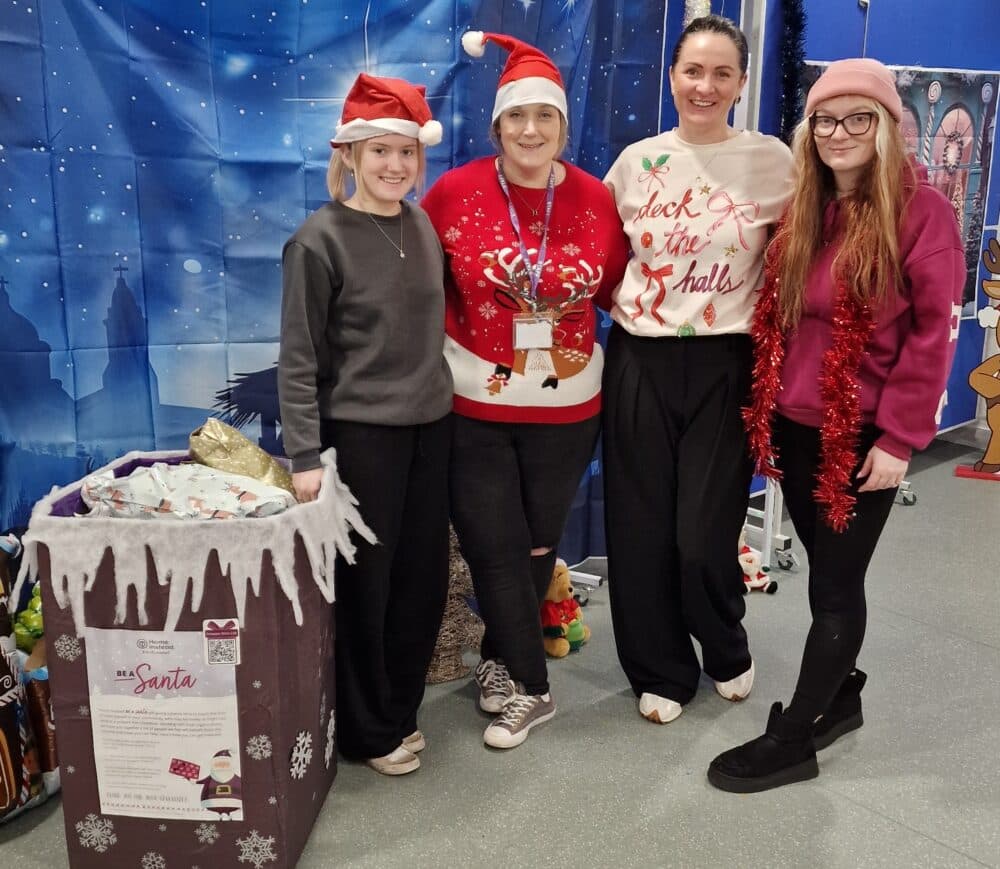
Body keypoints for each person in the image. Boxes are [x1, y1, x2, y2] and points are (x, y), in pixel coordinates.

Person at [707, 58, 963, 793]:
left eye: (859, 118)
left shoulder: (923, 213)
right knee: (826, 571)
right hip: (796, 422)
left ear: (886, 127)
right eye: (825, 118)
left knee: (837, 587)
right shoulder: (806, 205)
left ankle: (792, 739)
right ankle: (840, 694)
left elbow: (932, 334)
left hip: (864, 436)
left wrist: (900, 439)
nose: (839, 133)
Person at [422, 32, 629, 749]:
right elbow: (418, 286)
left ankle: (504, 659)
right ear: (497, 125)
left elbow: (623, 288)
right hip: (474, 405)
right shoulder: (453, 193)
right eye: (517, 117)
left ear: (563, 127)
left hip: (568, 409)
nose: (531, 130)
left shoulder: (598, 200)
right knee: (489, 542)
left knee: (539, 543)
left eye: (546, 116)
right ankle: (534, 690)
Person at [601, 15, 794, 725]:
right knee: (641, 525)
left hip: (727, 360)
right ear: (672, 76)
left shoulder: (774, 160)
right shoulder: (634, 162)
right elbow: (602, 259)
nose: (704, 86)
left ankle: (722, 640)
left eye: (721, 73)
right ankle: (658, 665)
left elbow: (812, 249)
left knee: (701, 532)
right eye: (692, 71)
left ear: (742, 83)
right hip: (639, 356)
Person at [277, 73, 453, 776]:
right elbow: (298, 358)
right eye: (379, 151)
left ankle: (399, 708)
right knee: (366, 588)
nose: (394, 166)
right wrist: (303, 456)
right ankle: (365, 727)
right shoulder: (319, 241)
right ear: (350, 155)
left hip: (430, 426)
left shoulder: (420, 223)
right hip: (363, 436)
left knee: (421, 580)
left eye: (406, 152)